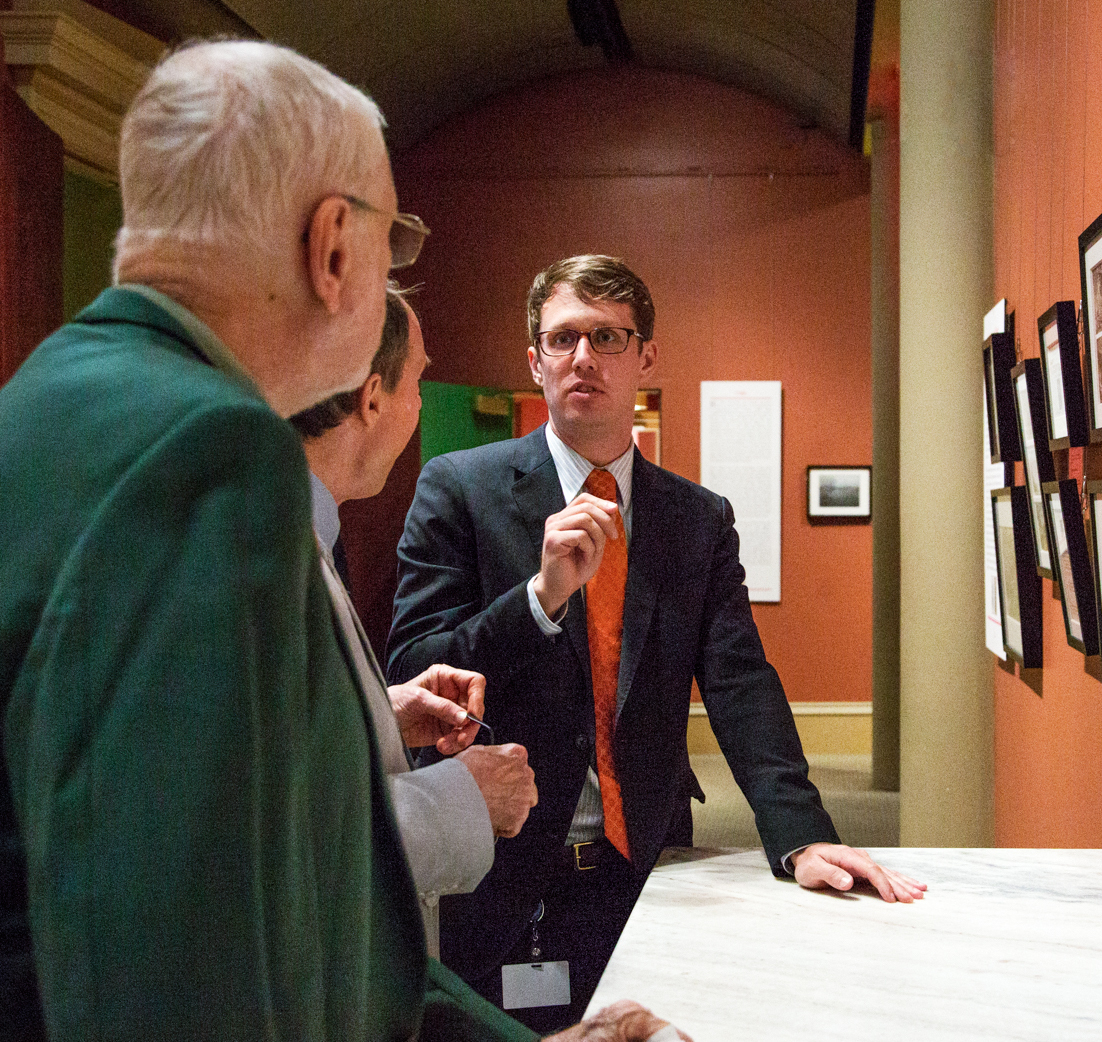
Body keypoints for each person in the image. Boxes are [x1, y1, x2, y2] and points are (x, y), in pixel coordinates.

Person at [0, 40, 677, 1042]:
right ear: (332, 248)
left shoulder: (52, 394)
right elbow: (216, 964)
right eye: (394, 243)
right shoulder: (209, 448)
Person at [388, 254, 925, 1030]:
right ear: (532, 360)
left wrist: (800, 835)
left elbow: (740, 683)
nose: (584, 358)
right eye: (564, 337)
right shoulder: (458, 489)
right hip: (500, 876)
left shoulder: (695, 518)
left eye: (607, 337)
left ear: (645, 357)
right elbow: (414, 672)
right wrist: (538, 601)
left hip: (648, 868)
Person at [292, 287, 541, 957]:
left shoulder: (306, 529)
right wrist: (463, 799)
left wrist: (383, 709)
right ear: (373, 398)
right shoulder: (258, 559)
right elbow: (262, 840)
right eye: (420, 381)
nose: (423, 406)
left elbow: (283, 738)